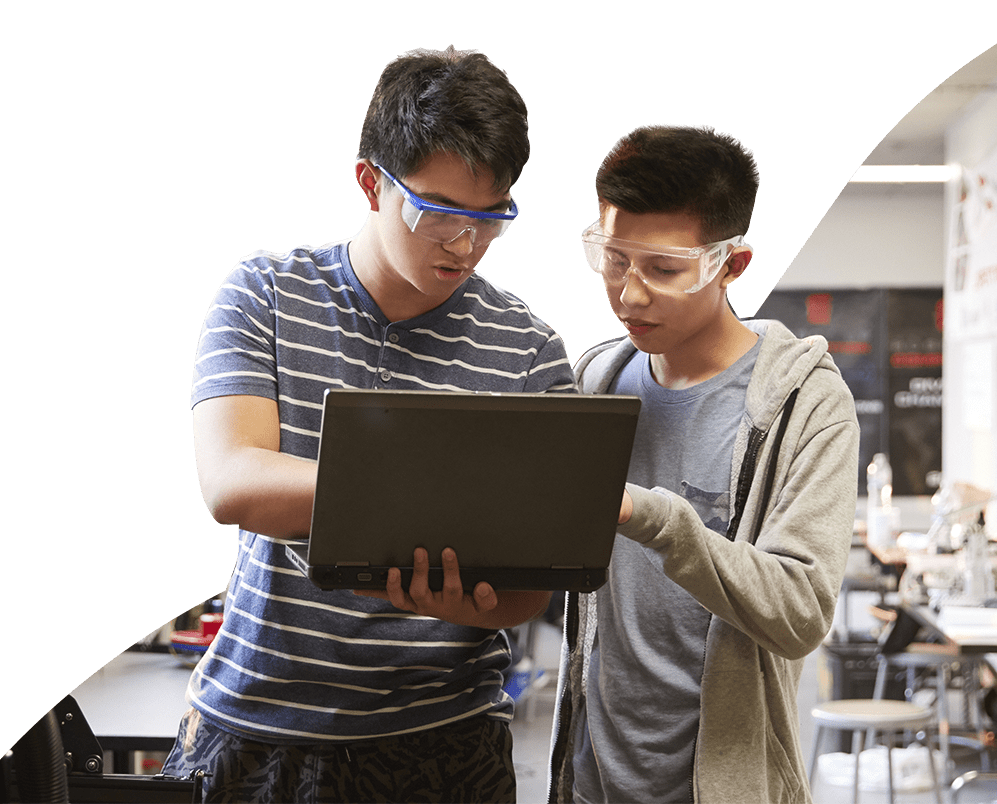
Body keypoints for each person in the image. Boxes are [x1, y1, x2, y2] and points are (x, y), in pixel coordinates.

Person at [163, 46, 574, 804]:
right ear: (370, 182)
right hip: (259, 733)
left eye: (491, 218)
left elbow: (530, 588)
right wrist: (448, 496)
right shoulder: (265, 293)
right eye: (440, 213)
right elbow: (234, 483)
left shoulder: (530, 349)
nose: (466, 245)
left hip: (446, 744)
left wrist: (454, 598)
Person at [548, 124, 859, 803]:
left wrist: (654, 518)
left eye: (662, 270)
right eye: (613, 260)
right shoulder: (598, 378)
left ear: (731, 264)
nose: (629, 294)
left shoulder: (805, 404)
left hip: (720, 785)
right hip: (593, 778)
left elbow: (801, 611)